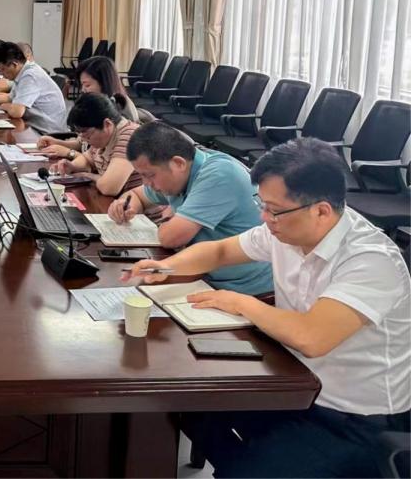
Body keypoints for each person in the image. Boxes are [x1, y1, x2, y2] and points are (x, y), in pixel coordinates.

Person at [123, 137, 410, 478]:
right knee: (188, 407)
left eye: (274, 210)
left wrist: (240, 302)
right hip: (292, 385)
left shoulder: (371, 260)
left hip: (353, 417)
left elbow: (311, 337)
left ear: (321, 210)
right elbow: (220, 251)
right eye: (263, 204)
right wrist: (167, 267)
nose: (264, 217)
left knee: (248, 467)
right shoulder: (287, 230)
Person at [108, 121, 273, 294]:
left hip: (245, 288)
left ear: (178, 163)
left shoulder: (220, 174)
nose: (147, 183)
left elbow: (171, 238)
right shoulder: (178, 175)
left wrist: (167, 223)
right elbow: (136, 195)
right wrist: (124, 206)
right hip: (204, 274)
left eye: (149, 175)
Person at [36, 55, 140, 156]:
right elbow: (83, 144)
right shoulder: (96, 106)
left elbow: (100, 160)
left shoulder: (120, 113)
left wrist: (69, 153)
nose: (83, 90)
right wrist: (55, 142)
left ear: (104, 83)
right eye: (82, 85)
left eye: (87, 85)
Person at [50, 93, 143, 196]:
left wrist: (88, 176)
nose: (83, 139)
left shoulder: (130, 137)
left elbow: (109, 187)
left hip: (135, 204)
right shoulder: (103, 137)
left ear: (107, 124)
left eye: (87, 135)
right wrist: (72, 166)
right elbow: (87, 159)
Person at [0, 41, 67, 135]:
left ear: (14, 64)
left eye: (2, 69)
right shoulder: (22, 72)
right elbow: (10, 98)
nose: (0, 73)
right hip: (35, 126)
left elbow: (17, 112)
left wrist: (5, 106)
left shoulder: (30, 75)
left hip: (48, 133)